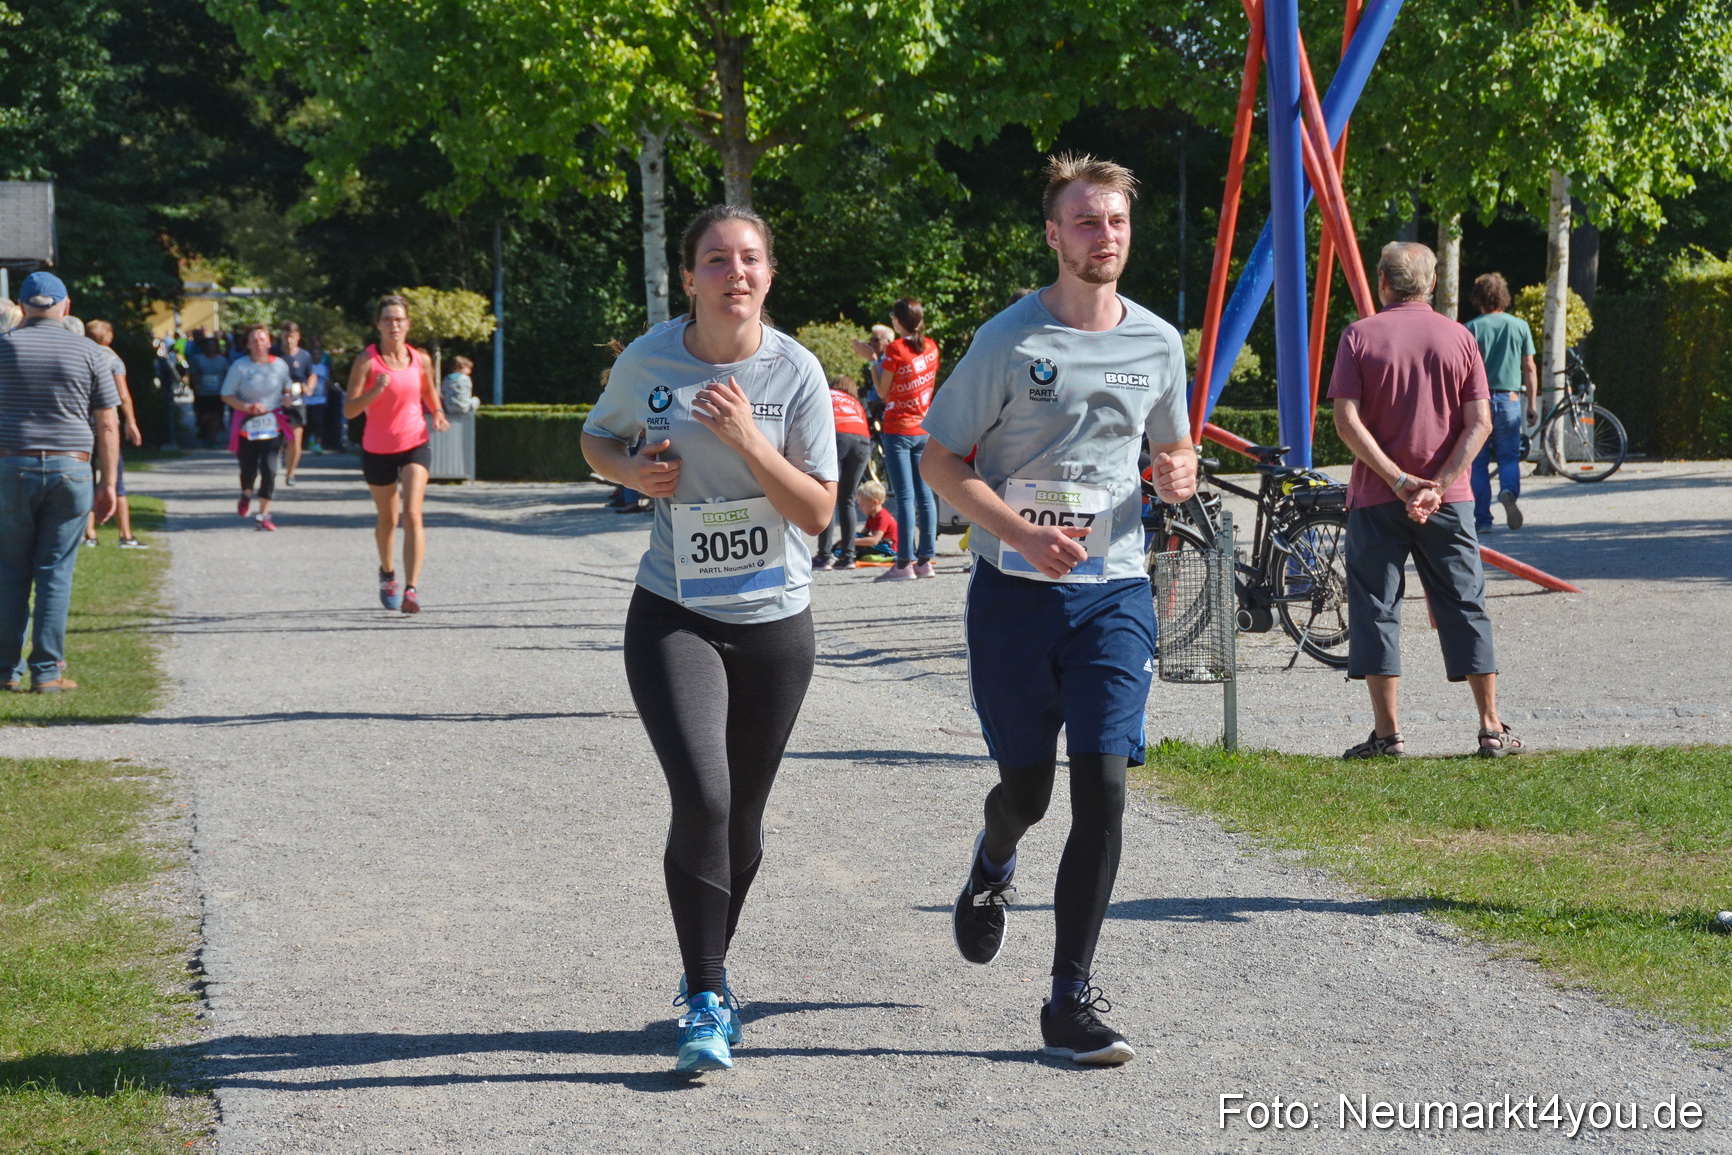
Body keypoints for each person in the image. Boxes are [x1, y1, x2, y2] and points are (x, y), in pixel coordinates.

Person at [921, 154, 1196, 1065]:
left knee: (1104, 787)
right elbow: (939, 459)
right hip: (1013, 595)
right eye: (1085, 221)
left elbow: (1175, 447)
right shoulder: (1010, 339)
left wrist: (1179, 471)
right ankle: (993, 859)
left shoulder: (1158, 341)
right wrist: (1021, 534)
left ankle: (1068, 998)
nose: (1104, 235)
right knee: (1028, 793)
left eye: (1116, 221)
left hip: (1114, 592)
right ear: (1053, 234)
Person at [580, 204, 837, 1075]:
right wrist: (628, 468)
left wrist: (748, 439)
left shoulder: (795, 371)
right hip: (675, 612)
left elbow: (817, 510)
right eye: (717, 260)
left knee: (744, 819)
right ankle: (707, 991)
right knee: (705, 796)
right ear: (688, 277)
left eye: (751, 258)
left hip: (774, 623)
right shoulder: (650, 359)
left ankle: (706, 966)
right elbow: (595, 436)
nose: (736, 273)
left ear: (770, 274)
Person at [1329, 242, 1521, 759]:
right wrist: (1437, 484)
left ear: (1382, 282)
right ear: (1432, 284)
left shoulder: (1358, 337)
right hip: (1449, 500)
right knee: (1466, 603)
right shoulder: (1460, 337)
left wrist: (1398, 481)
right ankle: (1491, 727)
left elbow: (1346, 421)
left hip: (1376, 496)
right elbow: (1480, 423)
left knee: (1376, 609)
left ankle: (1387, 735)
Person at [0, 272, 121, 692]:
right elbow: (108, 423)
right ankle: (47, 672)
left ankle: (5, 670)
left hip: (11, 466)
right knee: (55, 573)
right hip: (72, 468)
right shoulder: (91, 352)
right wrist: (109, 483)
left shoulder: (2, 348)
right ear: (66, 306)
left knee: (9, 571)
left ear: (22, 306)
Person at [344, 295, 448, 613]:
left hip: (415, 442)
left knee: (413, 514)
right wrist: (375, 391)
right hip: (377, 449)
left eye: (399, 319)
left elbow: (428, 390)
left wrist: (438, 411)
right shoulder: (366, 361)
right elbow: (349, 410)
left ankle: (411, 590)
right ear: (378, 324)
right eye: (388, 319)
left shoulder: (421, 359)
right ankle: (387, 573)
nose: (394, 325)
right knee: (388, 520)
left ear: (408, 324)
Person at [1464, 272, 1538, 532]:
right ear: (1504, 296)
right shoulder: (1519, 326)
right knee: (1508, 457)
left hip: (1478, 400)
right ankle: (1508, 491)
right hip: (1510, 399)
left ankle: (1483, 519)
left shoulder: (1471, 328)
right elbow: (1529, 366)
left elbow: (1461, 371)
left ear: (1478, 297)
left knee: (1478, 461)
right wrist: (1532, 404)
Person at [873, 298, 940, 581]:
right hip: (923, 428)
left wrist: (873, 361)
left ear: (897, 322)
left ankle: (904, 563)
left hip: (898, 429)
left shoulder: (895, 349)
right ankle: (925, 561)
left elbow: (882, 391)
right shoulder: (932, 346)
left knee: (904, 496)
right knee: (925, 496)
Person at [81, 320, 147, 548]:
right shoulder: (113, 360)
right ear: (109, 338)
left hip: (84, 425)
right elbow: (123, 394)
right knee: (115, 480)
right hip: (108, 426)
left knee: (87, 479)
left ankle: (89, 533)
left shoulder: (82, 356)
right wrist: (131, 421)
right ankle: (125, 534)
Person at [221, 324, 292, 532]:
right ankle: (246, 493)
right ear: (247, 345)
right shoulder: (240, 366)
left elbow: (287, 387)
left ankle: (263, 515)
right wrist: (248, 407)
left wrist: (288, 397)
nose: (259, 343)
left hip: (272, 424)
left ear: (269, 342)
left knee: (270, 469)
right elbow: (226, 395)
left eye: (262, 339)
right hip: (247, 425)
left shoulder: (279, 365)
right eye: (254, 340)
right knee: (248, 469)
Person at [813, 374, 871, 570]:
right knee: (847, 499)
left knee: (828, 496)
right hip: (862, 441)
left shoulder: (827, 393)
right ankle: (847, 556)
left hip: (838, 436)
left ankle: (824, 556)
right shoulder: (856, 403)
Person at [278, 322, 314, 486]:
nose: (288, 340)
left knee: (295, 439)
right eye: (285, 336)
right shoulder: (274, 354)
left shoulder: (304, 356)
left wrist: (309, 387)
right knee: (276, 439)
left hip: (297, 402)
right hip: (276, 401)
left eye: (292, 336)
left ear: (298, 337)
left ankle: (291, 473)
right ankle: (273, 462)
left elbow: (311, 374)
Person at [188, 335, 232, 445]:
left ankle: (212, 439)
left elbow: (227, 376)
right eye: (208, 346)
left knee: (216, 416)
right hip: (202, 393)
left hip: (217, 393)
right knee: (204, 417)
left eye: (213, 346)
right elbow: (193, 374)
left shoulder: (223, 361)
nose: (211, 348)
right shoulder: (198, 359)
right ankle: (204, 430)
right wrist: (195, 386)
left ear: (217, 347)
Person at [849, 479, 897, 562]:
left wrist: (850, 542)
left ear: (874, 502)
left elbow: (874, 540)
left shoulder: (882, 517)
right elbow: (862, 535)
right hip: (882, 544)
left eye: (862, 505)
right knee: (855, 537)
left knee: (854, 540)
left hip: (890, 548)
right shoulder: (872, 516)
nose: (860, 508)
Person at [301, 336, 330, 453]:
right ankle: (310, 441)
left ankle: (318, 443)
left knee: (319, 422)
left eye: (318, 354)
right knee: (309, 422)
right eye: (314, 354)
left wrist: (326, 391)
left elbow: (327, 381)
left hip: (320, 399)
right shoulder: (307, 367)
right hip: (308, 399)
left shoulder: (323, 368)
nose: (316, 356)